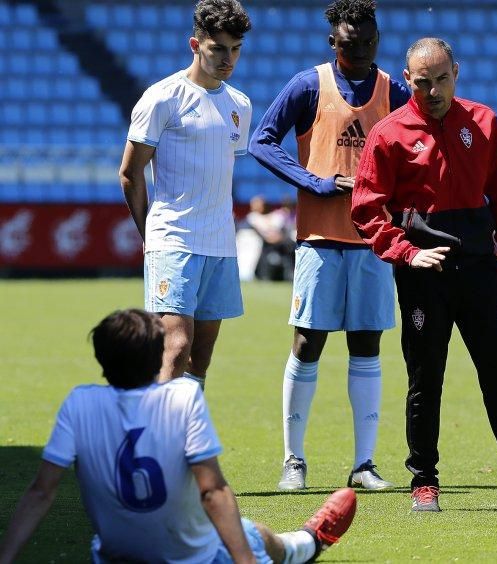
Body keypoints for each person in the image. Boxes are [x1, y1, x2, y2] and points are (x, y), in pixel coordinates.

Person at [351, 37, 497, 512]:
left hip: (481, 270)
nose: (432, 90)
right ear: (406, 79)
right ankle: (424, 482)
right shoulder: (389, 133)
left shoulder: (484, 121)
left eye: (441, 79)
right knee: (425, 378)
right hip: (424, 275)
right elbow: (366, 208)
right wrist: (405, 252)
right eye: (421, 82)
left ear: (457, 72)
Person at [0, 309, 357, 564]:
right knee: (256, 537)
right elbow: (213, 490)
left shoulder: (79, 402)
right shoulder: (181, 397)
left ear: (101, 358)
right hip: (196, 557)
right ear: (158, 358)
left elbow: (41, 491)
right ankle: (308, 542)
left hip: (116, 557)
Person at [249, 0, 410, 492]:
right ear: (331, 42)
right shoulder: (307, 85)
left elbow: (419, 150)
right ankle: (293, 460)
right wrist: (312, 181)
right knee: (307, 343)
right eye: (348, 42)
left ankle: (364, 464)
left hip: (373, 241)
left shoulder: (395, 91)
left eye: (367, 42)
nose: (359, 50)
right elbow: (262, 141)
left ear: (378, 39)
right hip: (318, 240)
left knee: (367, 344)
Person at [118, 0, 253, 390]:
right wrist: (152, 236)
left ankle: (180, 433)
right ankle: (156, 440)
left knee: (201, 357)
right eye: (218, 48)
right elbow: (129, 173)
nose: (228, 58)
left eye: (235, 48)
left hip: (221, 243)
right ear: (196, 44)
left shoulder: (239, 105)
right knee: (175, 347)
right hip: (173, 238)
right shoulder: (163, 98)